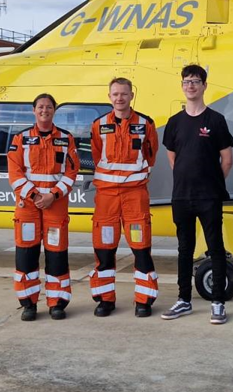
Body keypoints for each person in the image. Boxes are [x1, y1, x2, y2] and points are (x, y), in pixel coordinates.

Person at [160, 64, 233, 324]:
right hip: (182, 196)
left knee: (215, 248)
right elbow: (173, 158)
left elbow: (227, 159)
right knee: (184, 248)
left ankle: (218, 302)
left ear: (204, 86)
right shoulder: (174, 123)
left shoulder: (215, 120)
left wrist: (212, 183)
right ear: (182, 86)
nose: (190, 85)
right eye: (186, 81)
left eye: (195, 81)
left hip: (209, 197)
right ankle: (184, 300)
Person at [89, 77, 160, 317]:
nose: (120, 98)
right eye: (115, 94)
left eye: (124, 94)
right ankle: (105, 300)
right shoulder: (98, 125)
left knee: (141, 249)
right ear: (110, 97)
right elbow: (97, 155)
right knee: (104, 249)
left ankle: (144, 300)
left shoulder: (146, 124)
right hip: (106, 198)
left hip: (135, 196)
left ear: (131, 95)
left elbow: (151, 155)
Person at [7, 94, 79, 321]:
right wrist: (35, 195)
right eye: (40, 107)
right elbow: (14, 172)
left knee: (57, 254)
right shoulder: (20, 138)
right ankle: (29, 304)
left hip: (55, 206)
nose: (44, 110)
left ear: (54, 110)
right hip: (28, 206)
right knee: (26, 253)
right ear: (34, 110)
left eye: (48, 107)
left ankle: (57, 303)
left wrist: (52, 195)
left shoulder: (66, 139)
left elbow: (72, 172)